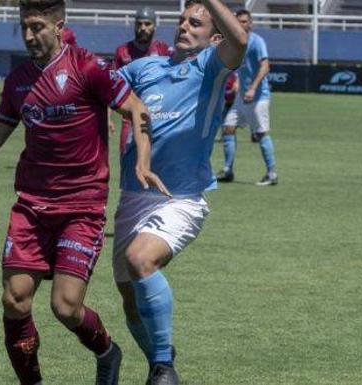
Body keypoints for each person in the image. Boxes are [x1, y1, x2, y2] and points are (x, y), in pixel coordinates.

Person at [0, 1, 167, 384]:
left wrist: (142, 160)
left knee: (65, 306)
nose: (28, 36)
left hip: (82, 207)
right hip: (31, 206)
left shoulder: (88, 66)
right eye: (24, 27)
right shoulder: (18, 80)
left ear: (60, 26)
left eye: (37, 27)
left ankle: (107, 351)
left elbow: (137, 109)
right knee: (15, 299)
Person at [112, 0, 247, 384]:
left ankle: (163, 369)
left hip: (181, 198)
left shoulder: (211, 66)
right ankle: (161, 356)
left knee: (141, 260)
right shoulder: (145, 67)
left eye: (196, 23)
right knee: (130, 299)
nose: (185, 27)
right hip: (132, 196)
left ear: (213, 36)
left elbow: (240, 40)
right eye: (182, 20)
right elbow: (101, 85)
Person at [216, 9, 278, 186]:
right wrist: (236, 81)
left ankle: (272, 173)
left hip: (258, 97)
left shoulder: (257, 42)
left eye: (244, 21)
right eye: (238, 21)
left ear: (250, 24)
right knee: (228, 127)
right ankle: (228, 170)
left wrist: (252, 87)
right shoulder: (235, 42)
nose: (241, 24)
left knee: (261, 133)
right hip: (241, 97)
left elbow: (265, 66)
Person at [112, 7, 171, 154]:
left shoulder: (164, 50)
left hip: (158, 116)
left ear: (154, 25)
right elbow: (111, 87)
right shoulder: (122, 52)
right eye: (139, 24)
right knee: (127, 159)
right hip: (129, 118)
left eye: (147, 24)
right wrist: (108, 118)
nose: (143, 28)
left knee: (157, 162)